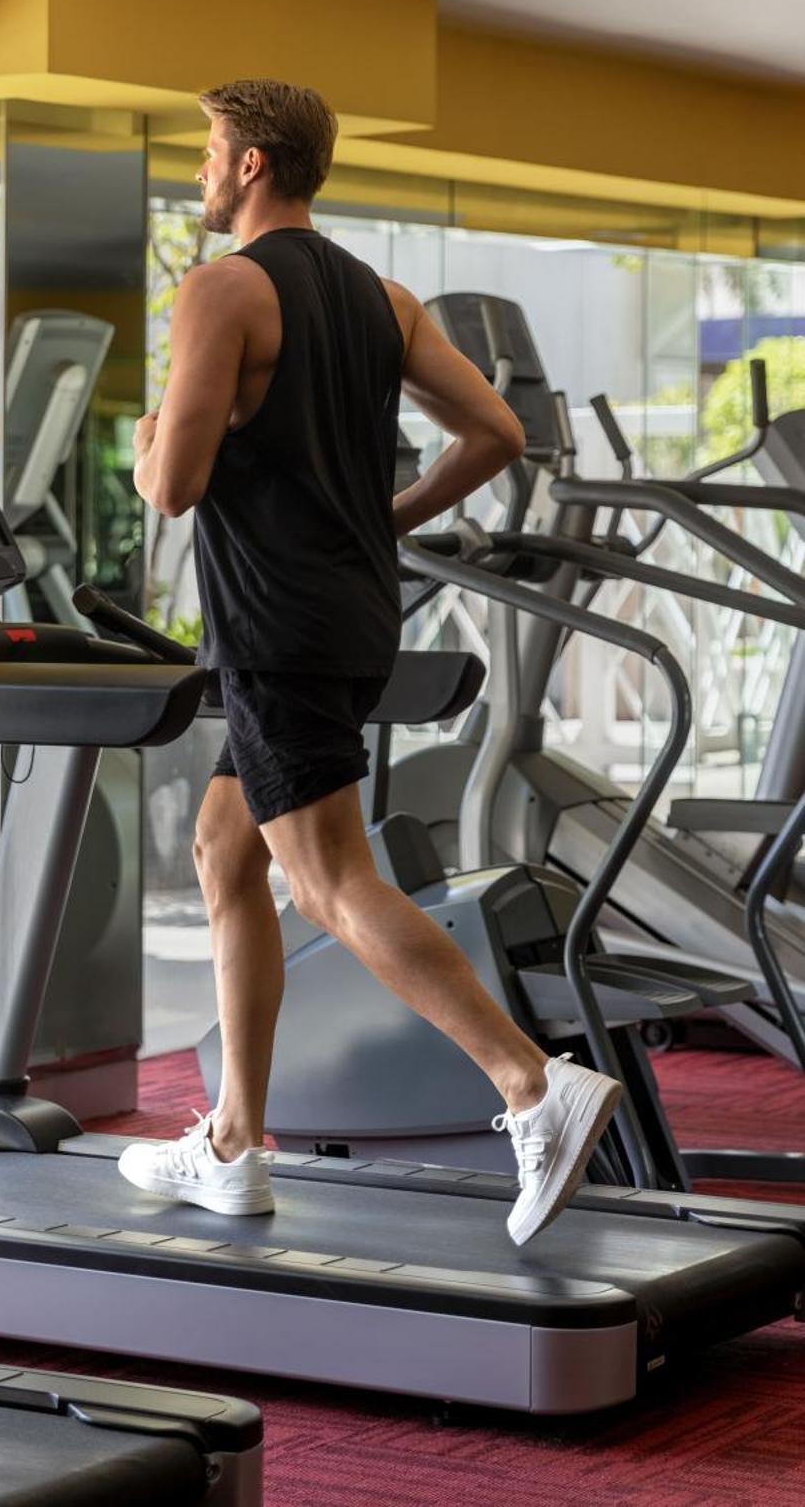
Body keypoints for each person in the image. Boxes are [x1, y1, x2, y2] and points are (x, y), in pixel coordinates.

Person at [118, 78, 621, 1246]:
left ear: (250, 164)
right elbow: (495, 433)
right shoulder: (381, 299)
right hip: (351, 612)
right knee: (221, 846)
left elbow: (174, 487)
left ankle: (529, 1082)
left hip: (276, 629)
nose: (199, 169)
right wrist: (379, 517)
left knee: (330, 882)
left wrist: (146, 443)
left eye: (207, 150)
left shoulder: (220, 289)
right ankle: (235, 1138)